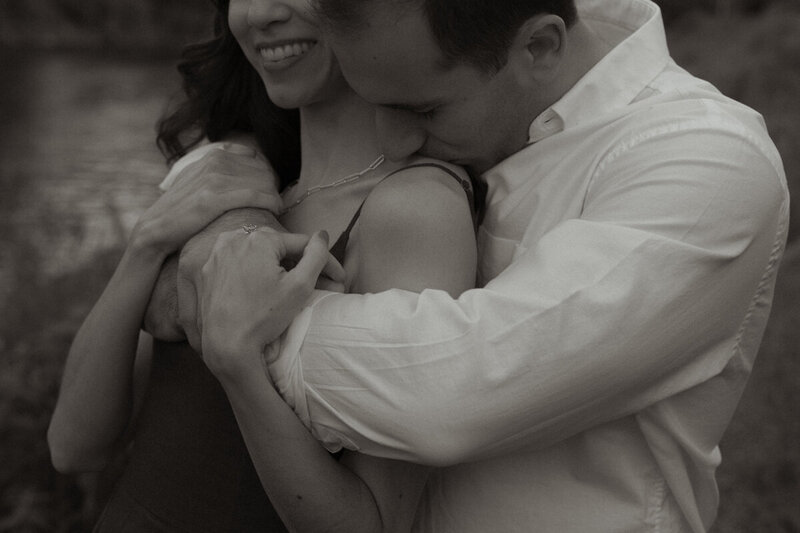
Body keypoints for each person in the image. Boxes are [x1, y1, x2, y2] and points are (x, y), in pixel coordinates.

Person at [157, 0, 790, 531]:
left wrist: (227, 303)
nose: (391, 141)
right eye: (371, 100)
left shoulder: (705, 163)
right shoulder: (463, 35)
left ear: (540, 47)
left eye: (423, 111)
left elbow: (451, 392)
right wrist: (241, 196)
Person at [47, 0, 477, 530]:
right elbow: (73, 447)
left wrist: (239, 365)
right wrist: (148, 243)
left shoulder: (414, 210)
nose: (259, 13)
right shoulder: (238, 186)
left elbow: (373, 522)